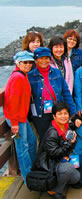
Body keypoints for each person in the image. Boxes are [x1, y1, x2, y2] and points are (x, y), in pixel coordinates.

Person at [32, 102, 80, 199]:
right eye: (59, 114)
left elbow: (69, 144)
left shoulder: (67, 126)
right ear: (54, 116)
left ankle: (62, 179)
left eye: (65, 113)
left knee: (77, 177)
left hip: (62, 158)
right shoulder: (52, 133)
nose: (63, 116)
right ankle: (53, 190)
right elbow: (54, 153)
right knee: (68, 168)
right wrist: (70, 143)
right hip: (50, 164)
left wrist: (73, 140)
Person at [28, 47, 77, 140]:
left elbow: (65, 92)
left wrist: (72, 110)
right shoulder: (30, 76)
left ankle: (61, 154)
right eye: (41, 58)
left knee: (60, 137)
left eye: (46, 58)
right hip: (40, 114)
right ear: (35, 60)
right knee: (45, 139)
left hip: (56, 111)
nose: (44, 61)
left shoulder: (56, 73)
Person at [4, 51, 37, 183]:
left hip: (21, 117)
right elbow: (12, 102)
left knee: (32, 140)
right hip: (16, 117)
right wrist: (14, 123)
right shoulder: (18, 77)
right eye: (25, 62)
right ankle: (28, 176)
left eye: (30, 62)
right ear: (18, 63)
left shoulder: (23, 75)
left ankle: (33, 169)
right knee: (22, 146)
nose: (28, 65)